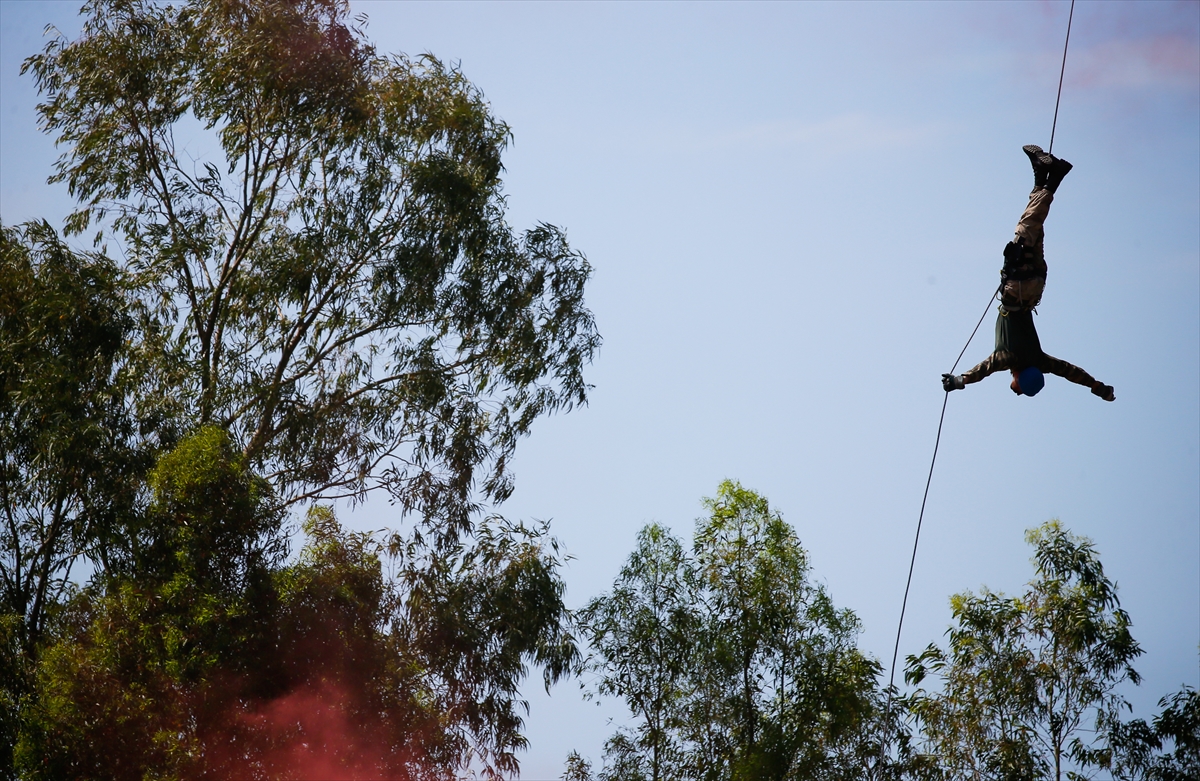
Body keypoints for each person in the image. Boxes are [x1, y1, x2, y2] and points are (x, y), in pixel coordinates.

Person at [941, 145, 1115, 402]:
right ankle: (1053, 175)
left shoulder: (1041, 361)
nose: (1014, 387)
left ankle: (1043, 176)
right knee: (1027, 226)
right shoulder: (1008, 358)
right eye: (1018, 387)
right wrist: (958, 381)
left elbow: (1071, 372)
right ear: (1020, 378)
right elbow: (982, 370)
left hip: (1035, 285)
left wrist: (1098, 387)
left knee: (1034, 226)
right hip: (1017, 287)